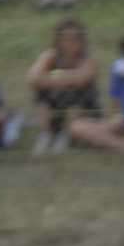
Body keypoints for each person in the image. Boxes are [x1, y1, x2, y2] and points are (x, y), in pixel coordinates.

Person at [27, 16, 103, 149]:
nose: (70, 43)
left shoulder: (88, 59)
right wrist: (69, 78)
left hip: (82, 109)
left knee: (74, 96)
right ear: (58, 40)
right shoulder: (50, 55)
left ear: (81, 40)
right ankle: (46, 134)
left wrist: (52, 76)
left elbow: (83, 78)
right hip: (55, 104)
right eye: (65, 39)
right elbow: (33, 78)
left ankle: (65, 136)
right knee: (42, 98)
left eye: (75, 39)